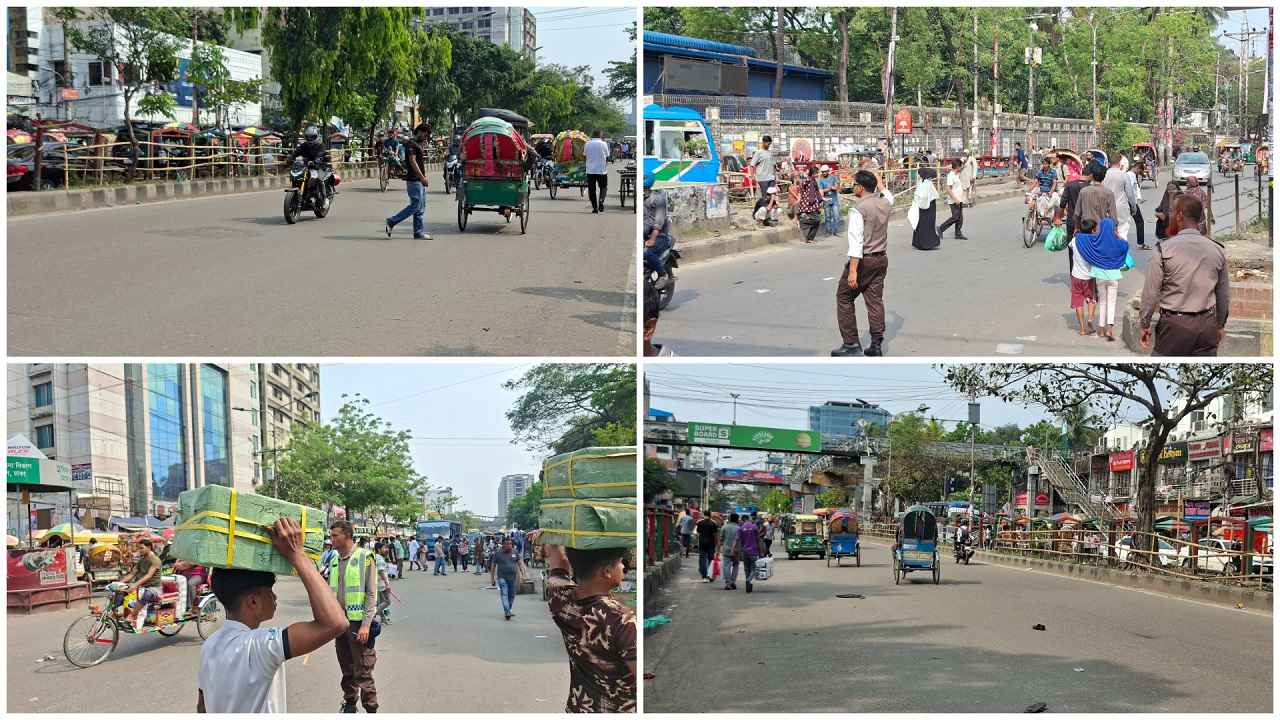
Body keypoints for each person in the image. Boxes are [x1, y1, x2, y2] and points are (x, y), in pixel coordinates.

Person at [197, 518, 347, 713]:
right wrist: (297, 554)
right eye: (270, 590)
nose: (275, 596)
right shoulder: (260, 646)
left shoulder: (210, 644)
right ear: (253, 601)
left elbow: (202, 707)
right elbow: (336, 623)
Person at [535, 536, 636, 713]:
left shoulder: (559, 598)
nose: (623, 567)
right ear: (607, 571)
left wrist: (551, 537)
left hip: (578, 707)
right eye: (620, 562)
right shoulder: (621, 619)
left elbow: (559, 566)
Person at [1139, 195, 1229, 356]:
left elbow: (1151, 294)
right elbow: (1223, 295)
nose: (1171, 216)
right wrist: (1220, 325)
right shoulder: (1217, 250)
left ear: (1179, 216)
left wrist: (1144, 324)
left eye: (1173, 212)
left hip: (1174, 326)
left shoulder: (1164, 250)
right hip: (1207, 324)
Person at [832, 170, 894, 357]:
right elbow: (888, 193)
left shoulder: (859, 209)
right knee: (875, 300)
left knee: (844, 297)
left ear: (859, 187)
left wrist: (852, 271)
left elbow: (856, 242)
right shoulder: (885, 202)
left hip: (864, 260)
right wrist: (879, 181)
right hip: (881, 258)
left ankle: (850, 343)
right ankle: (876, 343)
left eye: (854, 183)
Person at [327, 521, 380, 714]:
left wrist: (366, 625)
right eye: (331, 536)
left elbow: (371, 594)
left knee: (362, 669)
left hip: (358, 623)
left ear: (347, 535)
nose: (331, 539)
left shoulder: (365, 557)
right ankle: (350, 703)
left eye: (335, 536)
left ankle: (371, 708)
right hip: (339, 623)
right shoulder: (334, 559)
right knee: (346, 666)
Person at [1075, 217, 1131, 342]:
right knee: (1112, 303)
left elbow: (1083, 238)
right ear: (1112, 229)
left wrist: (1077, 233)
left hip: (1100, 276)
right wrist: (1118, 236)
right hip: (1114, 277)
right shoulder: (1118, 243)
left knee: (1103, 302)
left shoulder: (1096, 241)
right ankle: (1109, 329)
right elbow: (1126, 245)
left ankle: (1100, 329)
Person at [384, 122, 432, 240]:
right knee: (415, 206)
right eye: (425, 135)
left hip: (419, 181)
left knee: (420, 208)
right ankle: (391, 221)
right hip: (414, 180)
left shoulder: (418, 144)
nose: (426, 138)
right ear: (420, 131)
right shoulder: (411, 144)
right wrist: (422, 177)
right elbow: (412, 161)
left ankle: (418, 232)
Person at [118, 538, 163, 632]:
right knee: (120, 591)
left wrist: (135, 585)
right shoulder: (141, 560)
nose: (140, 550)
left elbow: (149, 575)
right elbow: (132, 574)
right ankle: (114, 614)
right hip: (141, 586)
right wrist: (119, 583)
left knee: (147, 594)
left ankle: (132, 616)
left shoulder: (155, 560)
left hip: (154, 588)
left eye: (142, 548)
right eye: (139, 548)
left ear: (149, 547)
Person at [1073, 161, 1118, 231]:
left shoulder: (1084, 191)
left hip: (1086, 230)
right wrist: (1115, 230)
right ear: (1104, 177)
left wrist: (1076, 228)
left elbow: (1077, 214)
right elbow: (1113, 217)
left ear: (1092, 176)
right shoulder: (1109, 193)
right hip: (1101, 230)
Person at [489, 536, 526, 620]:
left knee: (512, 595)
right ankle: (507, 612)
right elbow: (493, 566)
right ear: (503, 545)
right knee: (504, 594)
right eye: (506, 544)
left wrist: (523, 574)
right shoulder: (497, 553)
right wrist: (492, 578)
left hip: (513, 578)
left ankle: (508, 609)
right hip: (502, 577)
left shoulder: (515, 552)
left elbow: (520, 563)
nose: (509, 545)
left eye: (510, 544)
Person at [1103, 154, 1137, 242]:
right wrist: (1133, 207)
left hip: (1106, 208)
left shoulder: (1104, 175)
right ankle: (1121, 252)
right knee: (1122, 232)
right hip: (1121, 208)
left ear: (1109, 163)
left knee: (1108, 233)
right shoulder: (1123, 175)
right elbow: (1130, 194)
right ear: (1120, 162)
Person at [908, 167, 940, 251]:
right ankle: (928, 243)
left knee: (921, 224)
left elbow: (920, 196)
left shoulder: (923, 183)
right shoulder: (927, 183)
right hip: (929, 206)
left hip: (923, 207)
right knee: (928, 224)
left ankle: (920, 243)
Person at [643, 188, 672, 275]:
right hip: (645, 236)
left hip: (660, 236)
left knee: (649, 253)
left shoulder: (658, 199)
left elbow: (658, 223)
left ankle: (662, 275)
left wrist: (652, 239)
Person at [937, 159, 968, 240]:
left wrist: (953, 165)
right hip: (954, 200)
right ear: (957, 166)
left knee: (960, 218)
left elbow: (963, 166)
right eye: (960, 166)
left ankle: (958, 233)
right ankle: (941, 228)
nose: (961, 167)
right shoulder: (951, 176)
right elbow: (948, 189)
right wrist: (955, 199)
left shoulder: (956, 173)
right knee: (955, 217)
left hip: (959, 199)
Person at [794, 165, 824, 243]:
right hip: (807, 205)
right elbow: (801, 185)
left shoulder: (814, 181)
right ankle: (803, 223)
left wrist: (821, 200)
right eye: (817, 173)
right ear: (813, 173)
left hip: (813, 204)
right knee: (817, 220)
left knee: (817, 221)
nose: (818, 174)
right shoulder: (807, 179)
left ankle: (810, 238)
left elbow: (817, 192)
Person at [585, 129, 610, 213]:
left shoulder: (587, 144)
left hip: (590, 170)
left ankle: (595, 207)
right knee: (603, 187)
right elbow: (607, 156)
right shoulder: (604, 144)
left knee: (591, 189)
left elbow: (585, 155)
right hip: (601, 170)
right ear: (600, 135)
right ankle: (601, 200)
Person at [1125, 161, 1147, 250]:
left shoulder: (1131, 175)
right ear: (1137, 168)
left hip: (1130, 201)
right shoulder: (1130, 175)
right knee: (1140, 221)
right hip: (1130, 202)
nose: (1139, 173)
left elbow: (1135, 189)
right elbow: (1129, 190)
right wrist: (1133, 204)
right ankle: (1140, 243)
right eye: (1139, 170)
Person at [718, 513, 742, 591]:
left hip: (726, 549)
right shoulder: (739, 528)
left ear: (729, 519)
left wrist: (717, 550)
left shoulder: (724, 527)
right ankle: (733, 582)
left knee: (726, 566)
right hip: (736, 550)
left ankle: (728, 583)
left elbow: (720, 540)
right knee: (736, 565)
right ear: (737, 519)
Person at [738, 513, 761, 593]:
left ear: (743, 520)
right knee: (754, 568)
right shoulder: (754, 527)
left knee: (746, 569)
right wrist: (760, 551)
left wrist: (740, 551)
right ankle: (749, 580)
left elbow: (740, 541)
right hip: (754, 551)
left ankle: (748, 584)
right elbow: (758, 540)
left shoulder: (741, 528)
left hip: (744, 551)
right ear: (748, 519)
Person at [750, 136, 776, 203]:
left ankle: (771, 211)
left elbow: (773, 165)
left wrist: (775, 176)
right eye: (767, 143)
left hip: (771, 178)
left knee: (772, 196)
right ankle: (764, 210)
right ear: (763, 142)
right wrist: (752, 177)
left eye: (770, 144)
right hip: (762, 178)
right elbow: (752, 165)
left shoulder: (770, 153)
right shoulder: (758, 152)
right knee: (765, 197)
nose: (769, 145)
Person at [695, 512, 719, 582]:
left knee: (702, 559)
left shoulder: (700, 523)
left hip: (702, 543)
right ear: (710, 516)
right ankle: (709, 575)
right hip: (711, 544)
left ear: (704, 515)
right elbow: (715, 535)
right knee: (710, 560)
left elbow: (698, 533)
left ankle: (704, 576)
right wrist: (717, 544)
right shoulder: (714, 523)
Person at [818, 165, 842, 236]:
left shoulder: (833, 178)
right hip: (826, 200)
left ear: (828, 171)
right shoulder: (821, 180)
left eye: (825, 172)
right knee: (827, 217)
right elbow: (821, 191)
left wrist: (832, 188)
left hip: (834, 199)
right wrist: (829, 188)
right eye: (823, 172)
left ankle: (835, 231)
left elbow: (837, 187)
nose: (824, 173)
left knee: (836, 216)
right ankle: (828, 231)